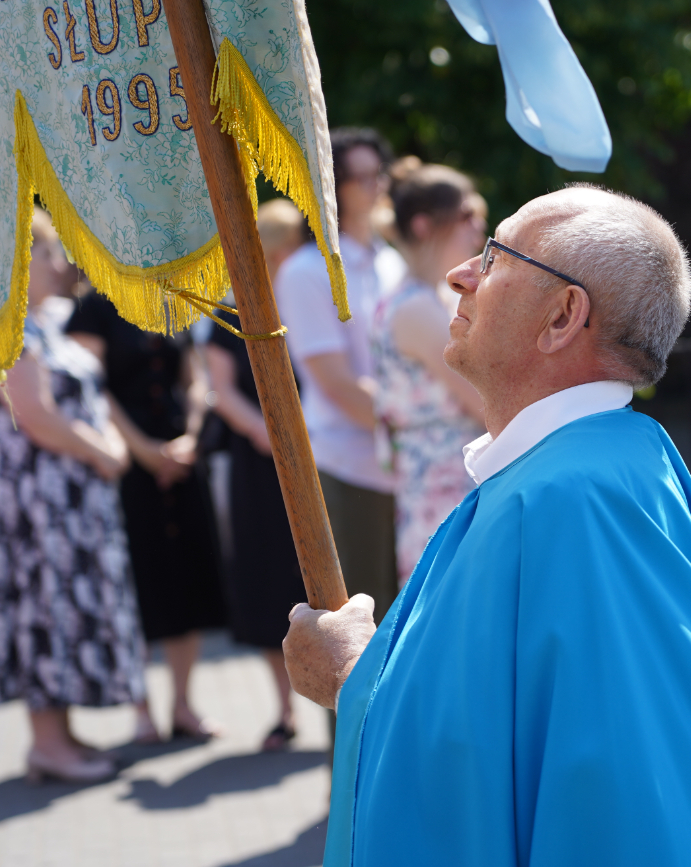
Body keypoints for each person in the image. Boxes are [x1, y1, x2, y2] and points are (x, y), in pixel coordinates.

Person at [283, 186, 691, 867]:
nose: (461, 274)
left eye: (494, 256)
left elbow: (473, 757)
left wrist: (350, 676)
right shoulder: (630, 453)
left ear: (562, 316)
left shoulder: (555, 498)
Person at [0, 209, 145, 783]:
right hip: (37, 503)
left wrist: (109, 444)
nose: (61, 262)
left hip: (71, 500)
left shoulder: (49, 319)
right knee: (41, 612)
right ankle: (48, 743)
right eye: (47, 252)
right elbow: (34, 414)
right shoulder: (3, 320)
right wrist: (102, 451)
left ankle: (60, 736)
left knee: (65, 611)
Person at [66, 282, 226, 743]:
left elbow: (193, 379)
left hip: (179, 461)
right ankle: (141, 710)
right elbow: (93, 391)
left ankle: (182, 705)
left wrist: (190, 439)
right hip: (126, 469)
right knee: (135, 587)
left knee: (185, 583)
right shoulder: (94, 307)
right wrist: (144, 451)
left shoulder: (170, 298)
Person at [274, 127, 405, 623]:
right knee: (359, 627)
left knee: (407, 622)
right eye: (361, 177)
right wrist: (413, 428)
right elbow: (334, 380)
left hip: (398, 460)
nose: (377, 186)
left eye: (379, 174)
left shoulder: (390, 262)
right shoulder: (308, 270)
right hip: (348, 464)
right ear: (330, 186)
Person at [206, 197, 308, 751]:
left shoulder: (308, 302)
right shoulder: (231, 313)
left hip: (315, 458)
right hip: (260, 466)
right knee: (271, 584)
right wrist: (271, 437)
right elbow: (219, 393)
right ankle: (284, 709)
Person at [371, 161, 487, 584]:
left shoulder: (425, 298)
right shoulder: (417, 308)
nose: (479, 230)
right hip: (444, 484)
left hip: (445, 477)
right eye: (465, 216)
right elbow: (483, 398)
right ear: (423, 226)